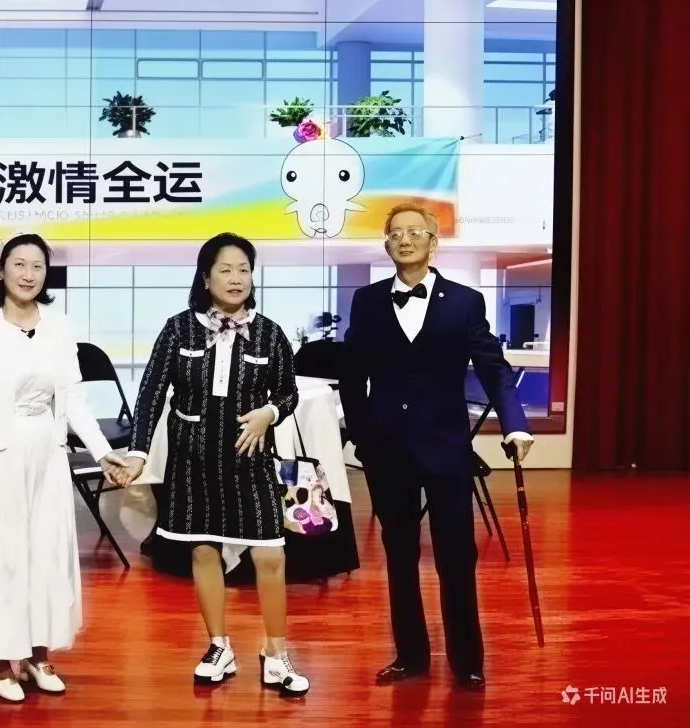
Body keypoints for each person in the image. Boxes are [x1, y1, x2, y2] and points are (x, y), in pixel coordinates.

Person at [339, 203, 533, 691]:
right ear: (386, 244)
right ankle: (410, 655)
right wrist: (362, 436)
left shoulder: (465, 301)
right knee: (399, 553)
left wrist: (515, 425)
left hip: (445, 448)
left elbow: (493, 368)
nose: (405, 240)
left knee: (456, 554)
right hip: (386, 449)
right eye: (395, 233)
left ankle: (467, 660)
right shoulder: (367, 301)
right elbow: (352, 375)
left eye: (415, 232)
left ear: (433, 242)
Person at [0, 232, 130, 703]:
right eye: (19, 264)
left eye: (37, 266)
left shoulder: (58, 326)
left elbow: (74, 399)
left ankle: (39, 655)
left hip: (47, 456)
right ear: (1, 268)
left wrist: (102, 451)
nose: (28, 274)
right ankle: (0, 663)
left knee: (45, 553)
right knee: (1, 559)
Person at [120, 233, 309, 697]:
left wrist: (270, 413)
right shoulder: (178, 329)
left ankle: (276, 653)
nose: (236, 278)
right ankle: (218, 646)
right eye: (225, 269)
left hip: (251, 462)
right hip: (192, 460)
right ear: (205, 278)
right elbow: (151, 393)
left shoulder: (269, 333)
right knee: (204, 552)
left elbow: (289, 392)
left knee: (271, 555)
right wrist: (139, 452)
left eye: (244, 269)